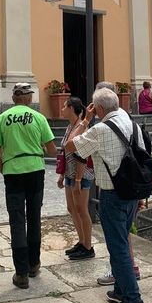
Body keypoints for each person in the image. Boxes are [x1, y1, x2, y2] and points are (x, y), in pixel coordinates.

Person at [68, 87, 146, 303]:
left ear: (99, 108)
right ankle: (121, 290)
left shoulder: (100, 129)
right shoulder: (131, 123)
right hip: (132, 191)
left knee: (118, 247)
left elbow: (69, 146)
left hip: (113, 194)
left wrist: (85, 120)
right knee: (121, 241)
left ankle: (133, 300)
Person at [0, 83, 56, 289]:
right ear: (28, 98)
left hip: (13, 172)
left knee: (17, 220)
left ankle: (21, 273)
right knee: (34, 217)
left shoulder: (2, 118)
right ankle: (34, 264)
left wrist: (5, 168)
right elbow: (52, 150)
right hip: (35, 170)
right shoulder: (39, 117)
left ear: (14, 98)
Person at [58, 97, 95, 260]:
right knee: (72, 208)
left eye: (64, 106)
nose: (62, 109)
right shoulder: (71, 126)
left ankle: (88, 246)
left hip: (81, 174)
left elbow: (82, 155)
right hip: (69, 173)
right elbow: (65, 151)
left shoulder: (83, 127)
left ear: (72, 109)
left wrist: (78, 180)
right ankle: (81, 241)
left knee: (81, 209)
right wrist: (62, 174)